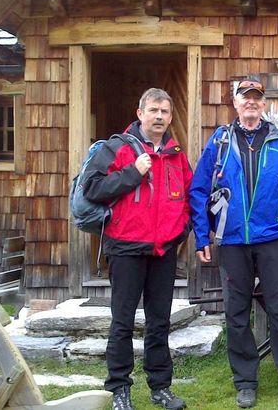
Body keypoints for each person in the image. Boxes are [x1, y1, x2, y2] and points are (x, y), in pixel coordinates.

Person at [189, 79, 278, 409]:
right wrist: (202, 235)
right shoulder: (220, 142)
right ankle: (245, 382)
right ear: (235, 103)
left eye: (257, 98)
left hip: (272, 240)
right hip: (232, 241)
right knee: (236, 314)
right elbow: (199, 191)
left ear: (264, 104)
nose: (251, 103)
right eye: (245, 98)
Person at [84, 88, 191, 410]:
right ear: (140, 113)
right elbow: (92, 188)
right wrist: (133, 173)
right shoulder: (116, 148)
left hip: (163, 250)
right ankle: (120, 389)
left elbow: (188, 196)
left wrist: (181, 231)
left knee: (159, 322)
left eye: (165, 112)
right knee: (123, 322)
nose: (159, 116)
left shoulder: (176, 154)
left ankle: (160, 387)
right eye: (153, 110)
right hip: (125, 248)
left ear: (170, 117)